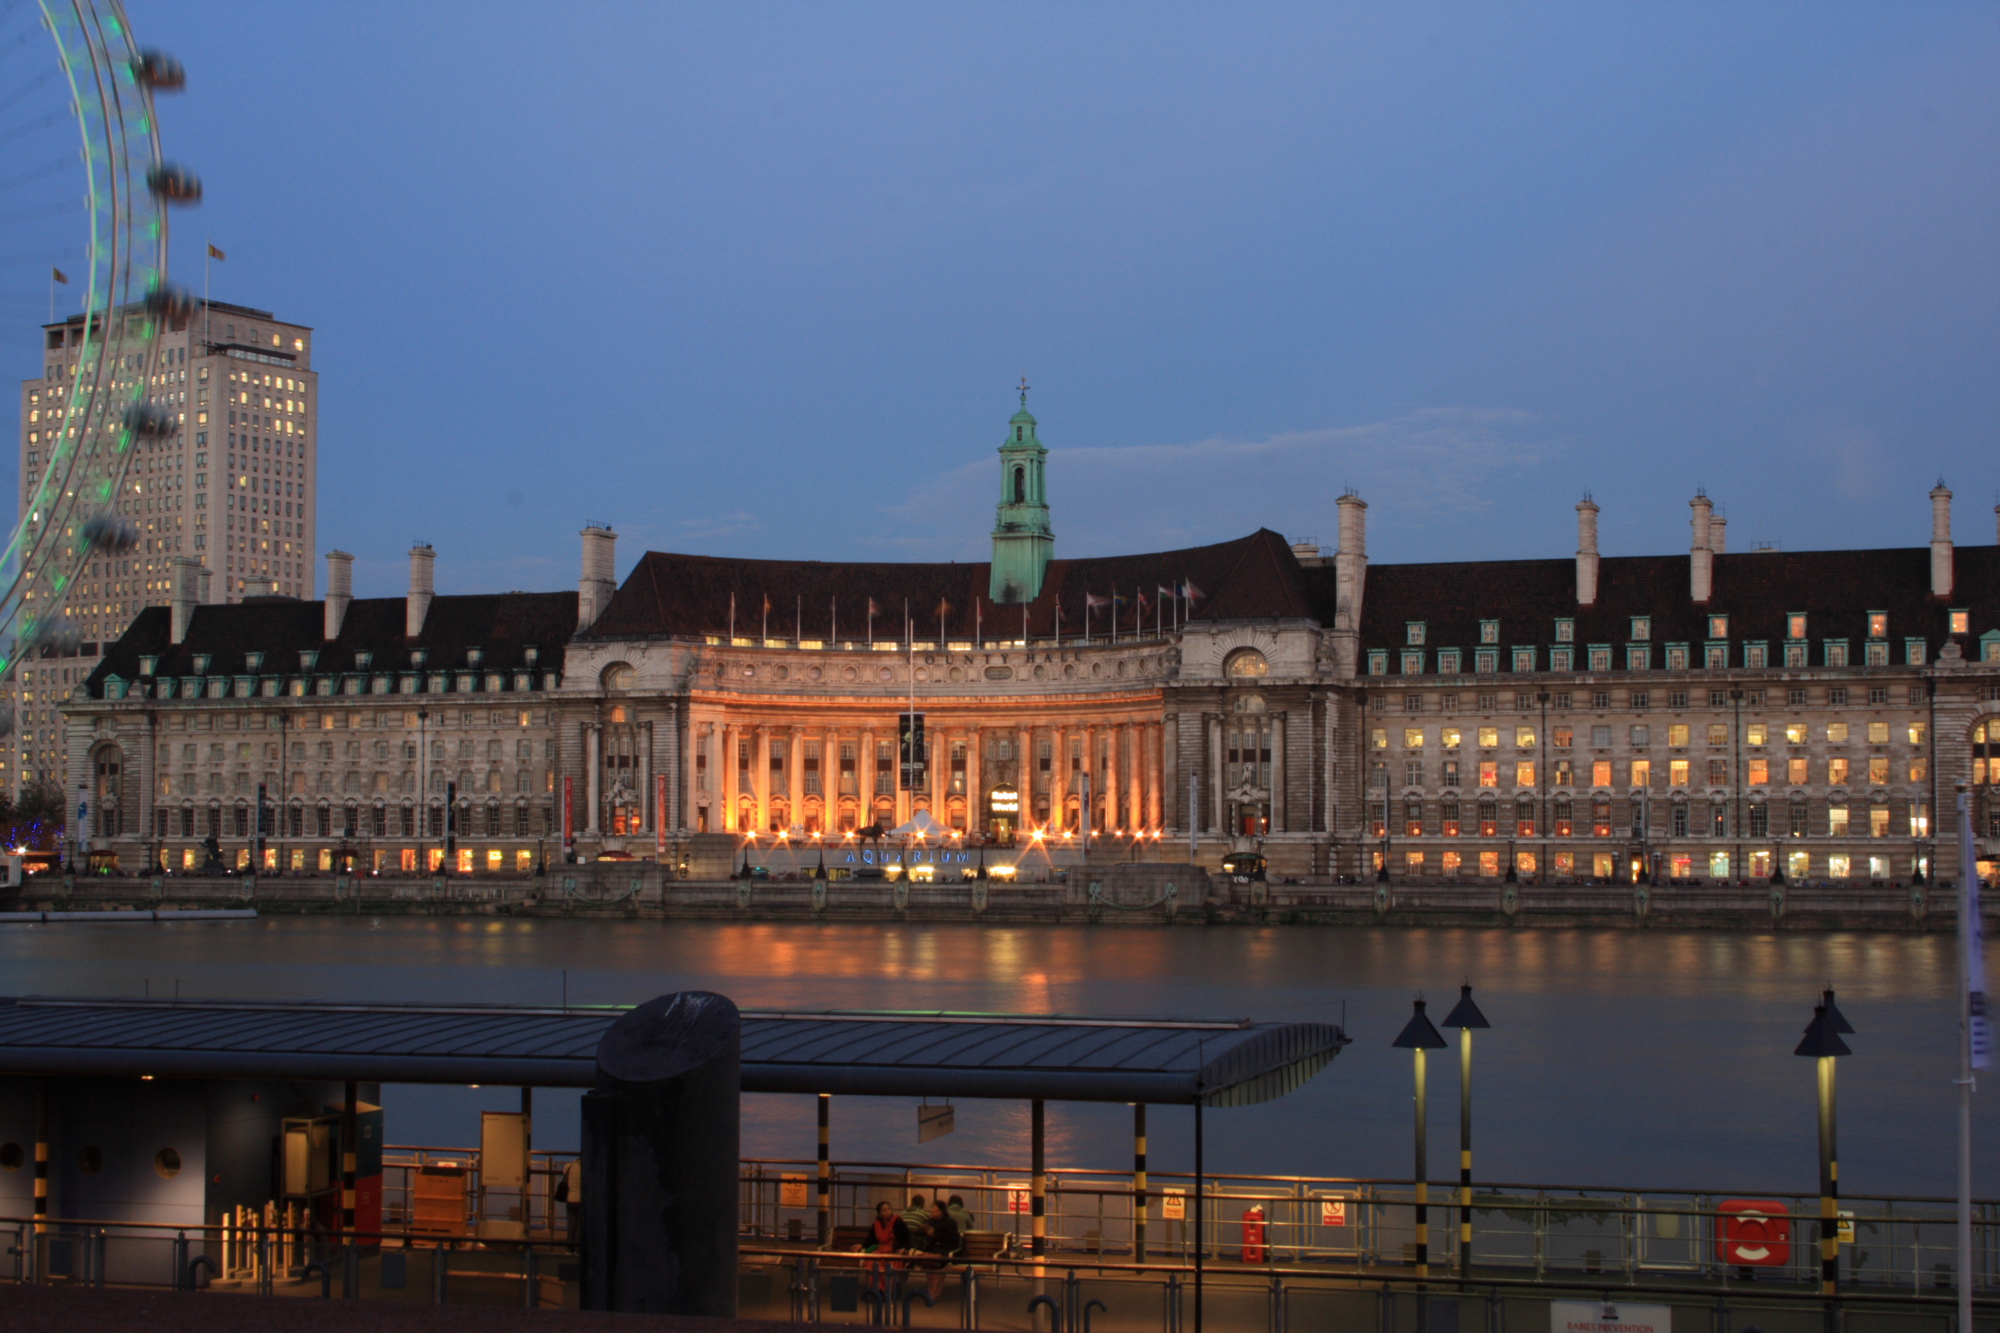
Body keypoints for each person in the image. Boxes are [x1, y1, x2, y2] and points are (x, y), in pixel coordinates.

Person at [856, 1200, 910, 1304]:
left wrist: (903, 1248)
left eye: (889, 1209)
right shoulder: (876, 1224)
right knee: (871, 1262)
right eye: (884, 1210)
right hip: (880, 1250)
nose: (887, 1212)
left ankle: (888, 1291)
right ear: (880, 1213)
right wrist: (861, 1245)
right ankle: (876, 1290)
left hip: (894, 1251)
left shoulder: (898, 1223)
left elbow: (906, 1238)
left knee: (889, 1266)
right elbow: (871, 1240)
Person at [919, 1199, 962, 1300]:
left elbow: (951, 1240)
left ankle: (932, 1294)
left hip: (944, 1250)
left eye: (936, 1211)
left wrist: (934, 1234)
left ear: (942, 1211)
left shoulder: (950, 1223)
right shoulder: (930, 1222)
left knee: (936, 1265)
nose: (933, 1213)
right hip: (932, 1249)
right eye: (932, 1211)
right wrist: (923, 1230)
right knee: (929, 1262)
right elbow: (919, 1234)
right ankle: (931, 1292)